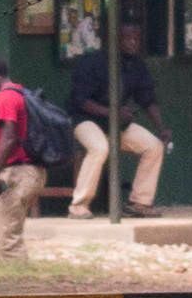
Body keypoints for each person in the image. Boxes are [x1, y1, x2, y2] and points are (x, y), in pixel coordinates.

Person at [60, 20, 170, 220]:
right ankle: (79, 205)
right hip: (84, 120)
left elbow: (147, 99)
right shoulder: (92, 62)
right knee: (100, 147)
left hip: (116, 124)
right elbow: (81, 101)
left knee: (153, 146)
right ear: (114, 40)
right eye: (127, 38)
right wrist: (112, 113)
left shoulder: (136, 65)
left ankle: (139, 203)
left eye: (136, 38)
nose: (132, 43)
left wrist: (161, 127)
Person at [0, 49, 64, 257]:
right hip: (23, 172)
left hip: (20, 173)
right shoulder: (18, 92)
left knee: (8, 240)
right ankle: (3, 279)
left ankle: (18, 283)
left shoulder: (5, 98)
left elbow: (10, 137)